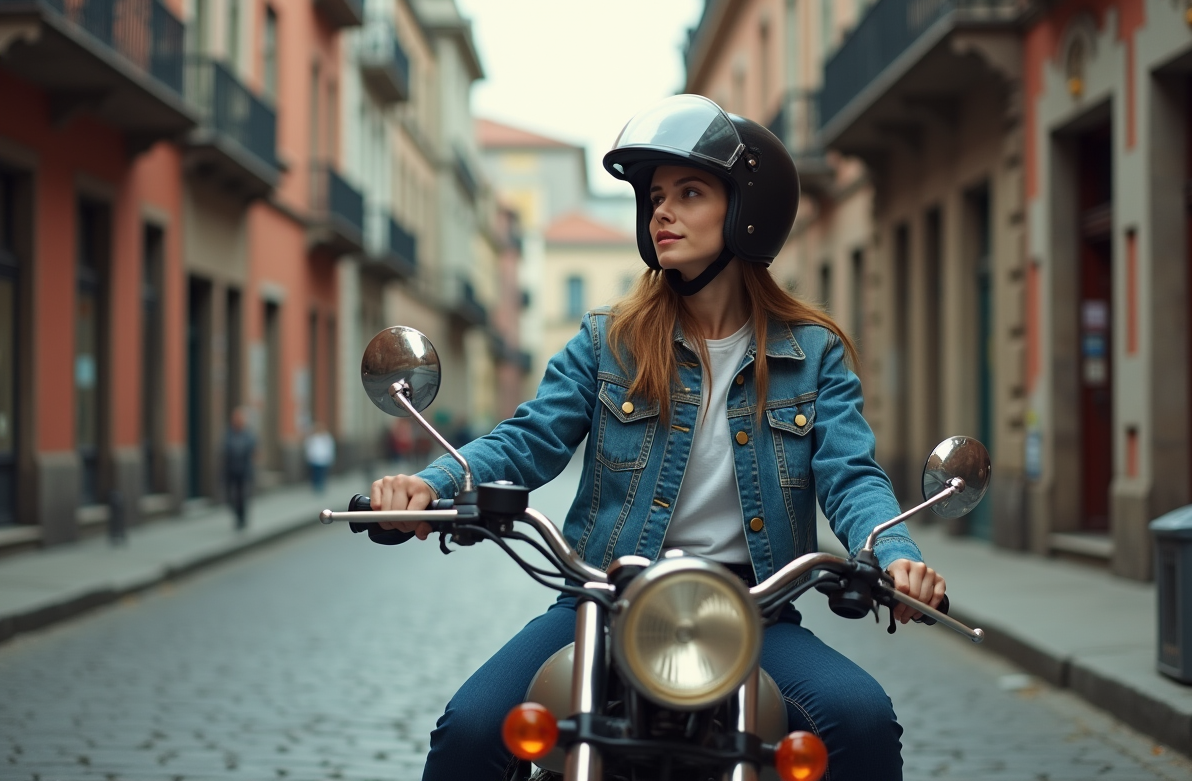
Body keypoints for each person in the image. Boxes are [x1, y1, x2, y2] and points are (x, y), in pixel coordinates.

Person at [370, 95, 947, 781]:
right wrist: (430, 485)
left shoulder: (813, 353)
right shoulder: (607, 341)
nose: (662, 212)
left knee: (861, 718)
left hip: (751, 613)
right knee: (469, 730)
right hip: (606, 602)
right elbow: (526, 441)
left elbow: (851, 477)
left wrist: (894, 555)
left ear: (746, 208)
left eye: (690, 193)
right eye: (655, 198)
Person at [223, 406, 255, 530]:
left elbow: (254, 451)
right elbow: (224, 450)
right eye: (235, 418)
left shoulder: (248, 435)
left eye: (239, 418)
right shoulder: (228, 434)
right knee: (230, 497)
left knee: (242, 496)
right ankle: (237, 515)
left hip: (244, 470)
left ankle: (242, 518)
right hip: (230, 470)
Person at [304, 422, 336, 493]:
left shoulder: (326, 437)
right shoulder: (312, 438)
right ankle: (315, 486)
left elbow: (330, 448)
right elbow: (309, 448)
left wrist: (330, 457)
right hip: (314, 459)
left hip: (324, 459)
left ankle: (321, 486)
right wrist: (309, 457)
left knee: (322, 474)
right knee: (315, 474)